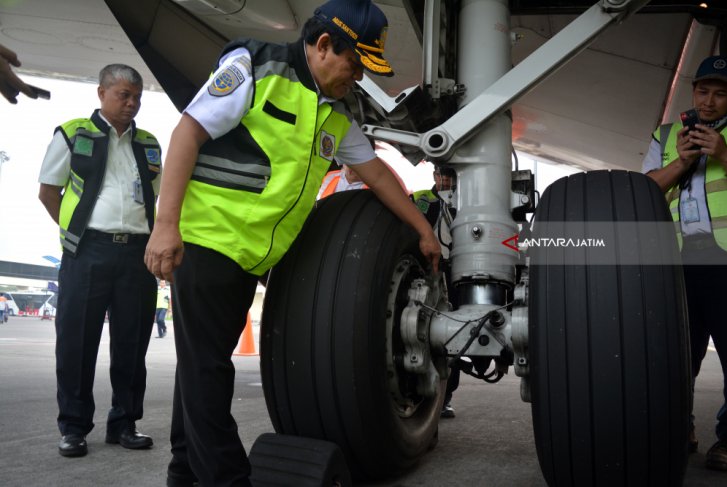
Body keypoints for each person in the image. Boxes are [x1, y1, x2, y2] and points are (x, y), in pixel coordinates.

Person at [143, 1, 441, 484]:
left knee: (202, 369)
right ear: (324, 45)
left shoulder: (334, 114)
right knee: (208, 374)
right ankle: (226, 477)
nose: (358, 75)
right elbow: (188, 133)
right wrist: (166, 226)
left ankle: (184, 471)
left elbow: (378, 177)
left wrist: (424, 230)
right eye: (354, 62)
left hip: (249, 259)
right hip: (207, 243)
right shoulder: (255, 68)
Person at [38, 64, 161, 458]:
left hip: (137, 254)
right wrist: (76, 233)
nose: (131, 104)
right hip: (87, 252)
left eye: (137, 97)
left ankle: (124, 423)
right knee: (77, 342)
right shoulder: (73, 134)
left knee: (132, 343)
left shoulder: (149, 143)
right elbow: (48, 192)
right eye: (123, 95)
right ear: (101, 93)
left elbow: (157, 197)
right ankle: (73, 427)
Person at [642, 54, 727, 471]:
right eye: (702, 91)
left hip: (726, 261)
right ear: (692, 91)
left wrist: (725, 156)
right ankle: (681, 428)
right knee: (677, 356)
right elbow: (642, 193)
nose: (709, 102)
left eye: (720, 93)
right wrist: (681, 162)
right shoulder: (666, 134)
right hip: (678, 261)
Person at [413, 167, 460, 419]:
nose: (445, 180)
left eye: (450, 176)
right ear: (434, 176)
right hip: (425, 274)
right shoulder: (420, 199)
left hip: (454, 276)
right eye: (441, 175)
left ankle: (445, 398)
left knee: (452, 335)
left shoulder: (465, 203)